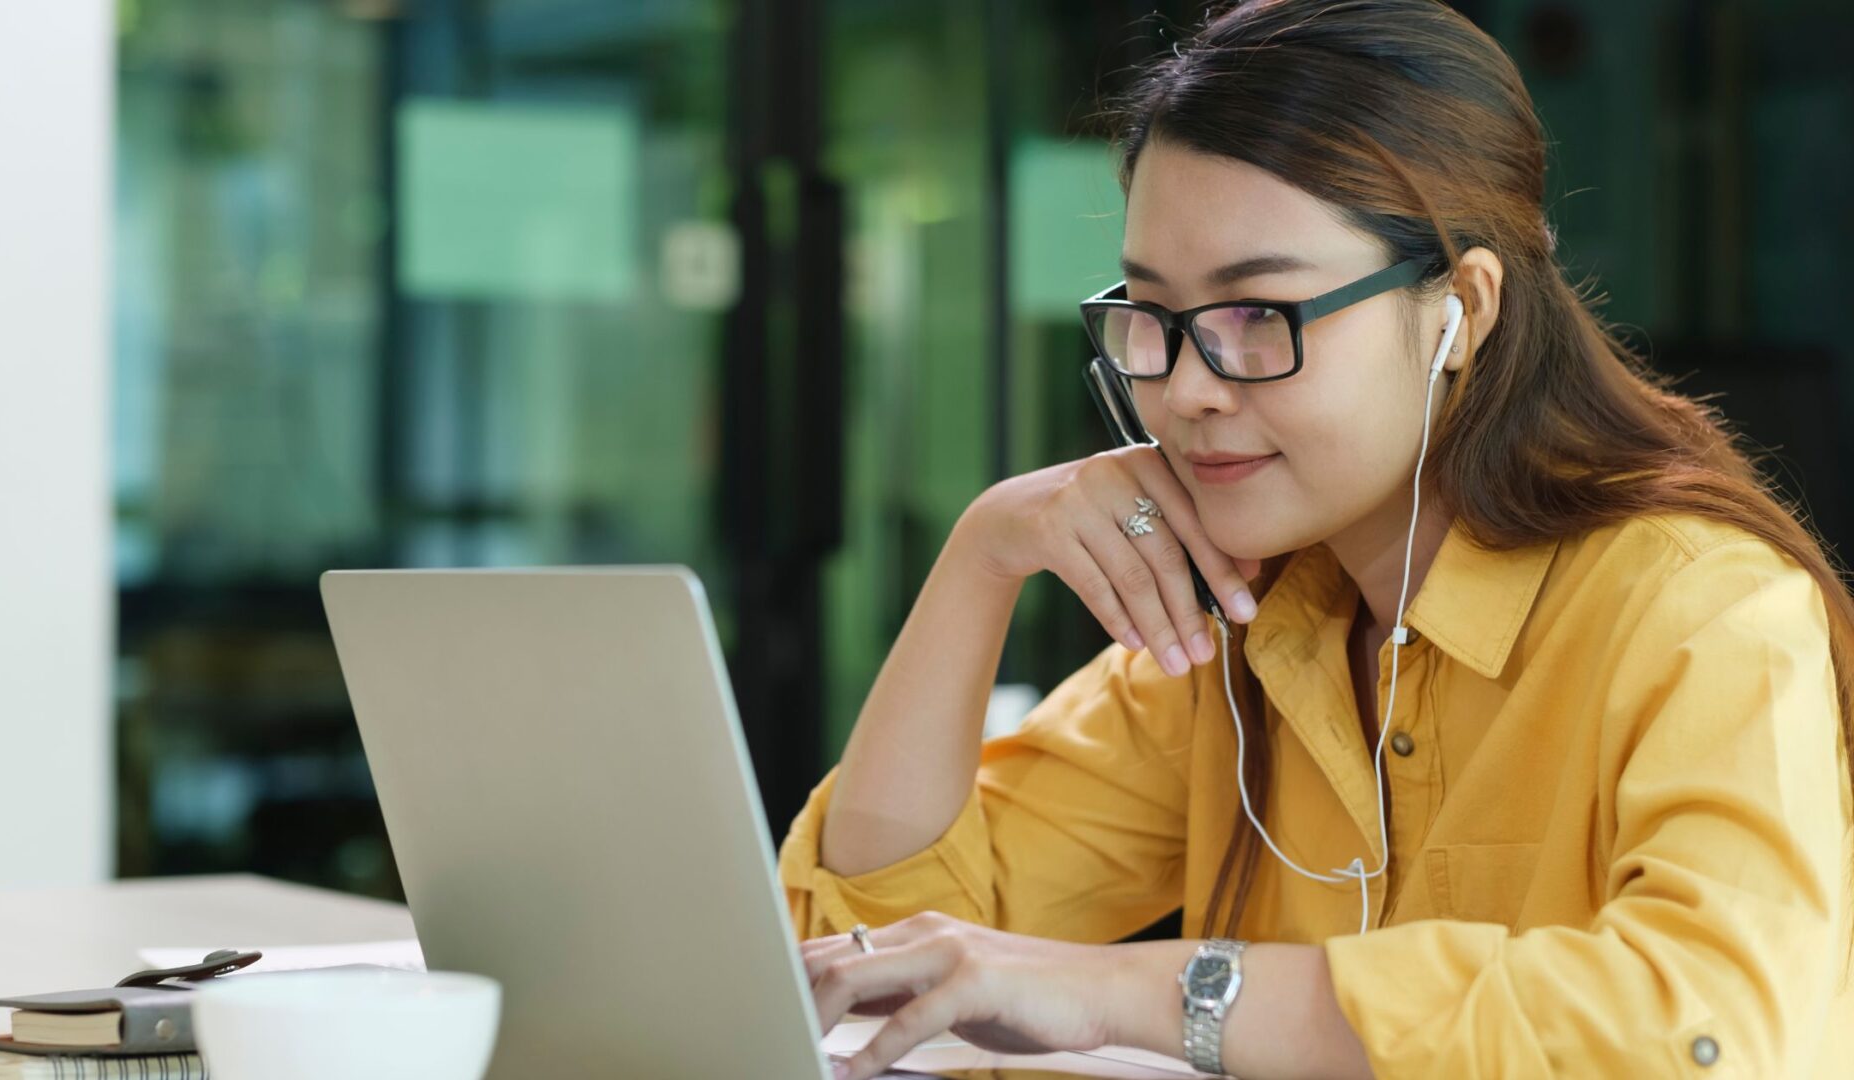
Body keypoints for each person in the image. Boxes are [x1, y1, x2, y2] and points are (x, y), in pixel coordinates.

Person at [778, 1, 1854, 1077]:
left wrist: (1146, 990)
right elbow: (867, 948)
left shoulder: (1704, 613)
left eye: (1260, 315)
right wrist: (983, 558)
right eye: (1152, 314)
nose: (1187, 387)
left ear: (1460, 312)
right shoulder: (1251, 622)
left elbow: (1711, 1033)